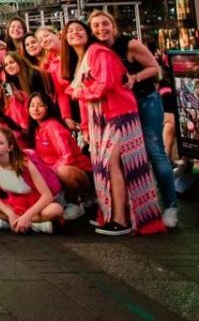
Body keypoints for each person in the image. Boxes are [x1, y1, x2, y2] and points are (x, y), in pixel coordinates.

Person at [64, 19, 164, 236]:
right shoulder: (83, 58)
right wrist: (85, 127)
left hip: (119, 115)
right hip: (101, 118)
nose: (74, 33)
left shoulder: (98, 52)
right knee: (107, 167)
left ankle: (120, 220)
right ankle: (112, 215)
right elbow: (85, 96)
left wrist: (78, 92)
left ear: (87, 32)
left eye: (79, 29)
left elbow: (105, 85)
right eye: (69, 31)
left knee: (114, 164)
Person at [88, 10, 178, 229]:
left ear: (113, 25)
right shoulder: (96, 50)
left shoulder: (129, 44)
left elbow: (154, 69)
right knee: (126, 159)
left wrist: (135, 77)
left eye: (105, 24)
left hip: (144, 101)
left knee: (153, 151)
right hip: (120, 110)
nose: (101, 29)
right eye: (96, 26)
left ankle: (171, 205)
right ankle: (133, 210)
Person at [0, 127, 63, 234]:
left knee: (56, 210)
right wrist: (9, 213)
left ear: (10, 147)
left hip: (34, 203)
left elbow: (47, 196)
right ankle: (35, 224)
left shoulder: (25, 164)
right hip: (13, 203)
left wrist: (27, 216)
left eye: (0, 143)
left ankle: (16, 223)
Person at [27, 93, 91, 218]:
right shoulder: (35, 129)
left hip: (79, 172)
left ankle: (76, 203)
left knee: (63, 171)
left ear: (48, 107)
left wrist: (49, 174)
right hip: (53, 174)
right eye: (32, 105)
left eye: (40, 105)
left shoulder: (53, 125)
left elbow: (67, 157)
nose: (35, 109)